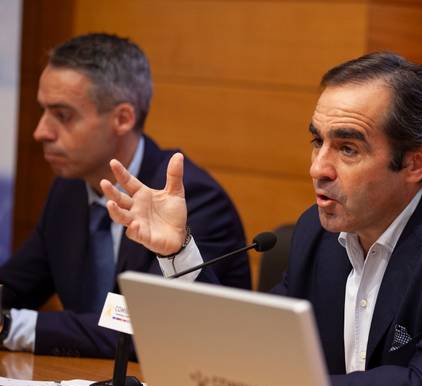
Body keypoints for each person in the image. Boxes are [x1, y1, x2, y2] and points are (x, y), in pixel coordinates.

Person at [102, 52, 422, 386]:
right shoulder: (318, 231)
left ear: (417, 162)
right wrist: (178, 251)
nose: (318, 168)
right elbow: (254, 345)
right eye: (318, 141)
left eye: (347, 148)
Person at [0, 33, 250, 358]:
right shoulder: (69, 189)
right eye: (43, 111)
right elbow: (17, 284)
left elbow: (143, 326)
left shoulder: (193, 199)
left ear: (122, 118)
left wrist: (10, 327)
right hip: (83, 385)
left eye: (62, 115)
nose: (40, 132)